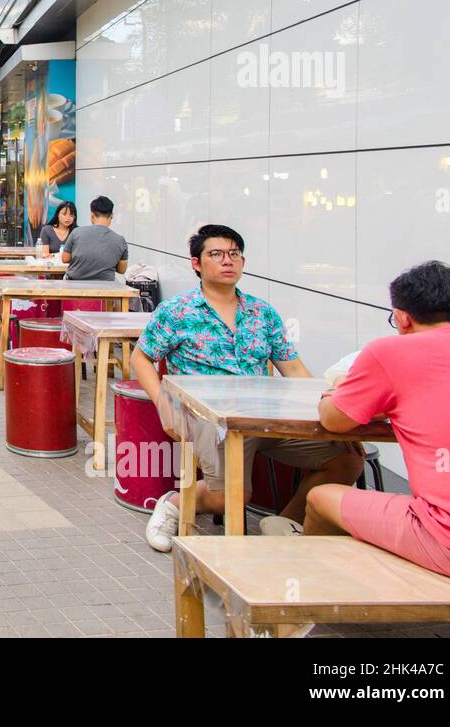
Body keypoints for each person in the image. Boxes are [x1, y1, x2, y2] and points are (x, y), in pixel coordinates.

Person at [135, 224, 364, 552]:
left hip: (265, 418)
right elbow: (141, 359)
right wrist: (162, 402)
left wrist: (333, 416)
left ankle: (286, 526)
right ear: (196, 264)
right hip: (209, 422)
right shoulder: (176, 311)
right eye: (216, 254)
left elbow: (294, 368)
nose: (227, 261)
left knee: (346, 459)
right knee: (230, 496)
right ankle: (172, 502)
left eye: (234, 254)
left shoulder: (262, 313)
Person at [299, 262, 450, 585]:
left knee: (320, 498)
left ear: (402, 318)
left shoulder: (390, 352)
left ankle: (311, 598)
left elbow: (333, 419)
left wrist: (335, 394)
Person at [62, 196, 128, 281]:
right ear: (111, 216)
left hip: (75, 285)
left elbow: (65, 259)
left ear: (92, 215)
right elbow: (122, 270)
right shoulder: (120, 240)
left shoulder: (76, 232)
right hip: (106, 288)